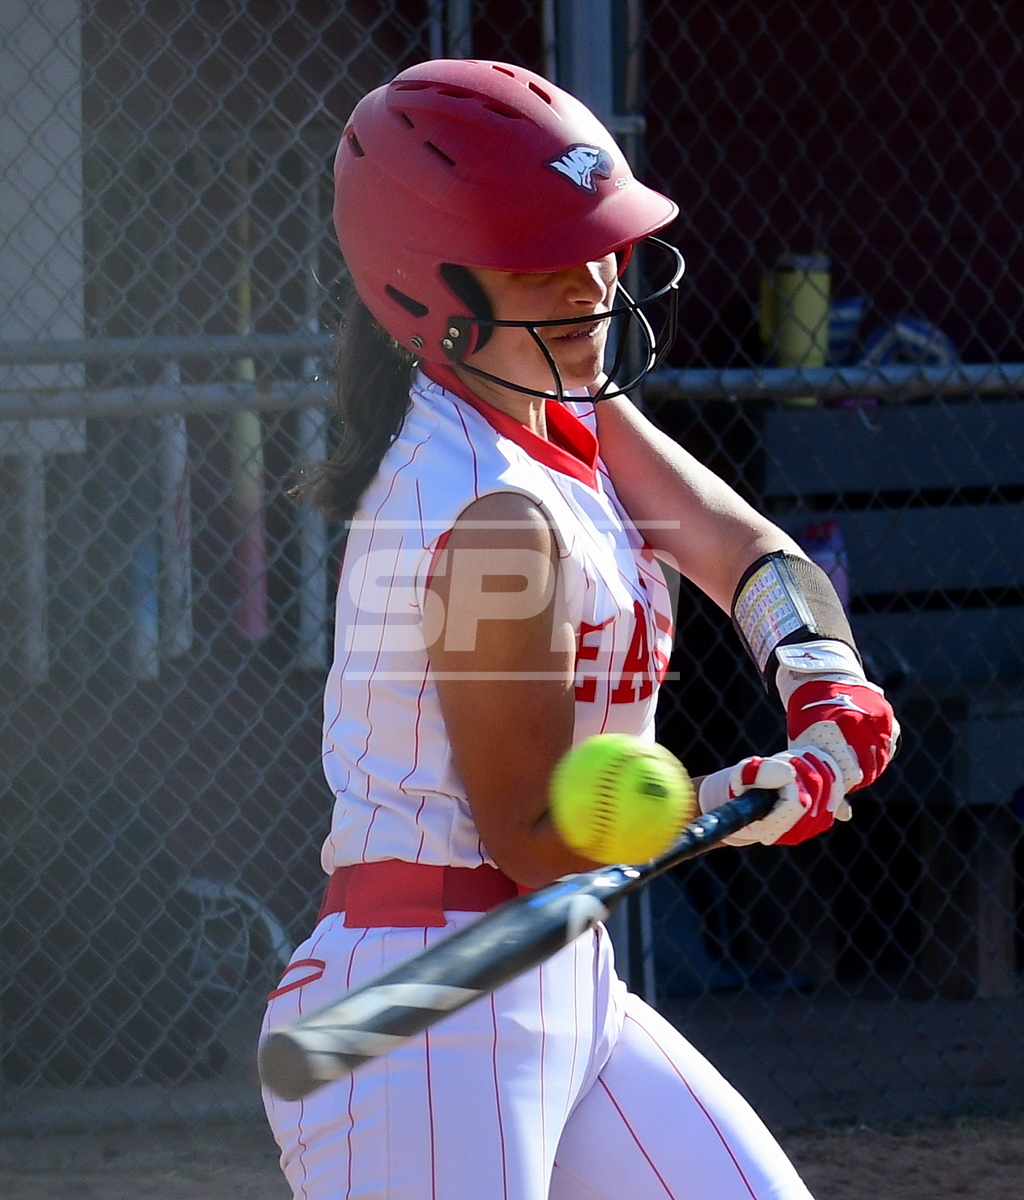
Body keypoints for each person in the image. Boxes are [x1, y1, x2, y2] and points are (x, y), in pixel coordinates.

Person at [260, 58, 899, 1200]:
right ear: (430, 291)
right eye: (540, 257)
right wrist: (735, 802)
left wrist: (819, 674)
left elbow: (741, 546)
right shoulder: (485, 512)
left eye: (597, 244)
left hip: (564, 976)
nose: (593, 281)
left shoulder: (564, 416)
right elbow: (535, 833)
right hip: (429, 1000)